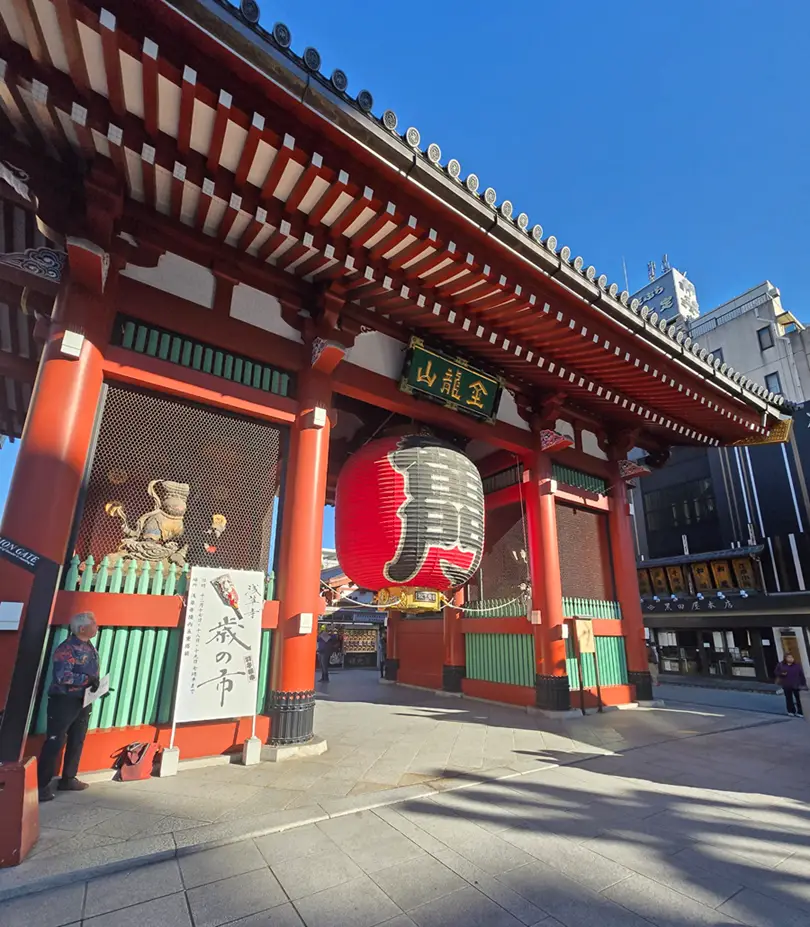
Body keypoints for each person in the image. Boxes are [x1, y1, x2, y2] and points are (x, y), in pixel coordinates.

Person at [38, 612, 100, 802]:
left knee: (77, 739)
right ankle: (41, 785)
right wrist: (87, 680)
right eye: (93, 624)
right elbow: (62, 676)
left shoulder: (89, 646)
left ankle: (69, 778)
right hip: (64, 700)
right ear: (82, 628)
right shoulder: (67, 648)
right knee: (55, 741)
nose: (96, 627)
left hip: (83, 699)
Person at [774, 653, 806, 717]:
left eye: (791, 657)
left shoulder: (797, 665)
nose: (791, 659)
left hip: (796, 684)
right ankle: (791, 711)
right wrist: (781, 674)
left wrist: (803, 683)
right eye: (789, 657)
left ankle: (800, 712)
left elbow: (801, 674)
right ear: (785, 658)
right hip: (786, 684)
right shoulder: (781, 665)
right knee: (789, 698)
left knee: (798, 699)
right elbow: (776, 672)